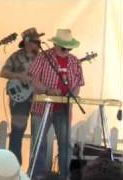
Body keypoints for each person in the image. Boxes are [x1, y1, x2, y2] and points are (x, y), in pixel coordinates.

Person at [29, 29, 84, 179]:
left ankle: (65, 176)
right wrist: (47, 90)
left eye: (69, 47)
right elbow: (33, 80)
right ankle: (36, 176)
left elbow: (78, 84)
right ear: (56, 44)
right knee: (39, 143)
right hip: (42, 108)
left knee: (66, 144)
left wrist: (73, 93)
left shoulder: (75, 61)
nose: (67, 50)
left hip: (64, 109)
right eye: (63, 47)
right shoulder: (43, 57)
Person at [0, 27, 44, 163]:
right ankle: (14, 166)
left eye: (38, 41)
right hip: (20, 99)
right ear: (26, 42)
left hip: (38, 98)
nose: (37, 43)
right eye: (34, 40)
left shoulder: (43, 58)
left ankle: (34, 169)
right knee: (17, 132)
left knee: (38, 134)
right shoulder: (16, 56)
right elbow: (3, 72)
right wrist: (19, 76)